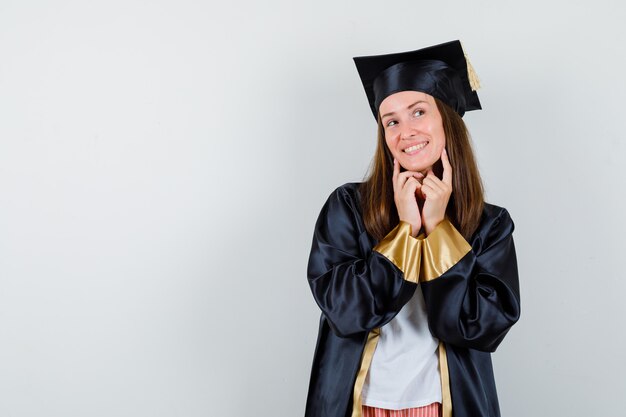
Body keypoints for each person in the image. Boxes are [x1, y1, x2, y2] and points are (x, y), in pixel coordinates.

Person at [304, 40, 521, 417]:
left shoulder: (490, 225)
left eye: (418, 112)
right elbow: (345, 312)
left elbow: (479, 328)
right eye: (391, 121)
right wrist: (405, 229)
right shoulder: (348, 208)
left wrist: (438, 230)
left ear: (447, 122)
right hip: (356, 404)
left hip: (447, 406)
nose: (405, 131)